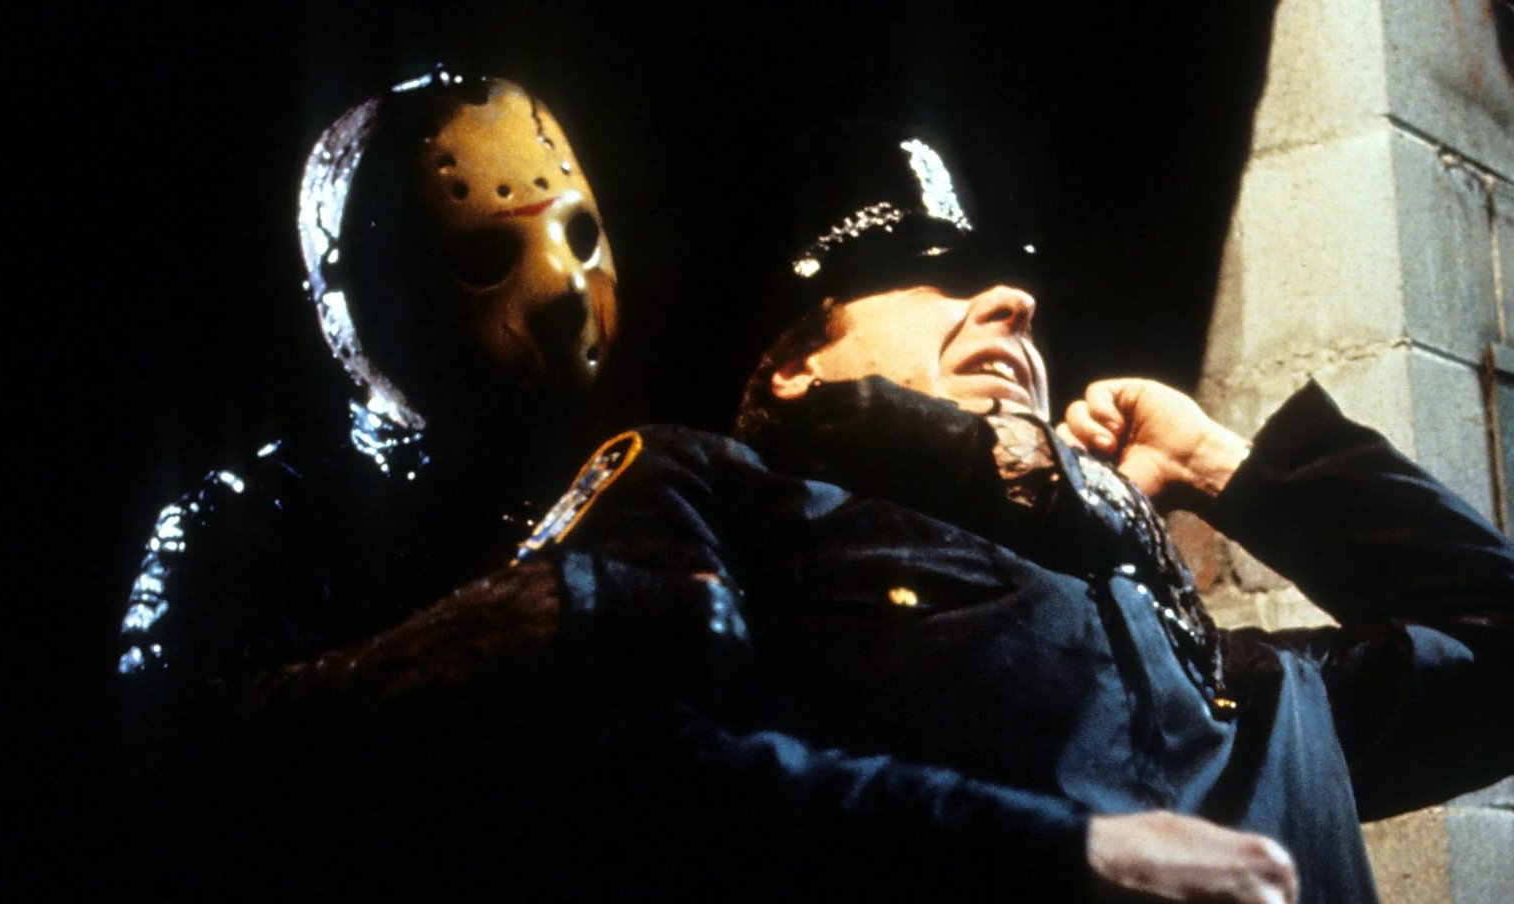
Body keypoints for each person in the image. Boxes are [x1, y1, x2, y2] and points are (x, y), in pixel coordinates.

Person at [486, 122, 1510, 902]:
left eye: (1010, 290)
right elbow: (569, 766)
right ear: (795, 366)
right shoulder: (716, 502)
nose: (1015, 304)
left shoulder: (1255, 692)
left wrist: (1219, 464)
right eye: (925, 278)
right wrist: (1060, 857)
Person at [110, 71, 624, 896]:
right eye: (485, 256)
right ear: (354, 295)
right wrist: (473, 644)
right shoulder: (241, 519)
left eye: (580, 233)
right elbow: (169, 753)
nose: (565, 288)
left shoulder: (627, 489)